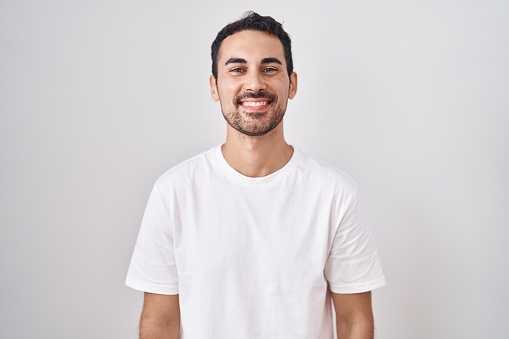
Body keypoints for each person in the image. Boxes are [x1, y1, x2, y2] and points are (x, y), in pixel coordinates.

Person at [126, 11, 385, 339]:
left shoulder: (335, 193)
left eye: (269, 68)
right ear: (214, 86)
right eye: (237, 69)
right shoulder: (174, 191)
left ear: (292, 84)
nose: (254, 84)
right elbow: (160, 322)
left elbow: (354, 321)